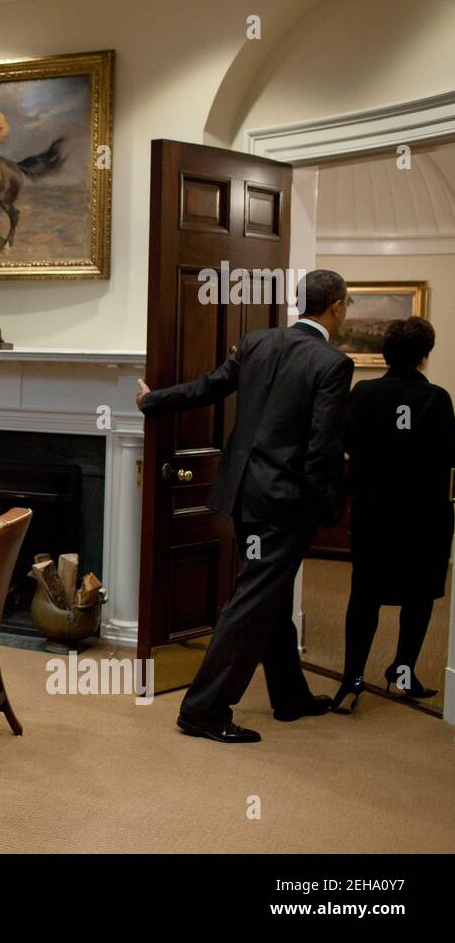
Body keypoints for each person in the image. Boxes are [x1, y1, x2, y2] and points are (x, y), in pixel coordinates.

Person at [136, 269, 354, 743]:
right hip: (283, 504)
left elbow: (210, 387)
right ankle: (204, 709)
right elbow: (322, 450)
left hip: (242, 495)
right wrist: (330, 507)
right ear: (335, 304)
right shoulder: (332, 364)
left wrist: (154, 402)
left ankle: (290, 696)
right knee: (253, 600)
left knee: (266, 595)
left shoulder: (256, 341)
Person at [334, 316, 454, 709]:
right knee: (418, 597)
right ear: (424, 356)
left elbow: (346, 444)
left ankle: (352, 678)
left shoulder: (363, 393)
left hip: (375, 512)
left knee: (364, 595)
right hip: (424, 516)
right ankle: (403, 672)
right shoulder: (437, 399)